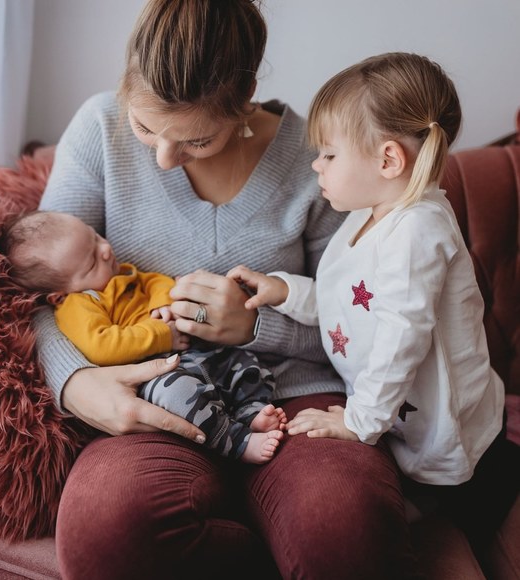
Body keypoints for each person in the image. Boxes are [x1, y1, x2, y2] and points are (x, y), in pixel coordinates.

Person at [34, 2, 418, 578]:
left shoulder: (320, 161)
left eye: (196, 140)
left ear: (245, 99)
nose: (164, 158)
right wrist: (74, 381)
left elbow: (364, 323)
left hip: (294, 396)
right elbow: (36, 293)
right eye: (145, 128)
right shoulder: (98, 128)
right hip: (159, 390)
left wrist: (258, 325)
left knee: (343, 531)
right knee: (105, 535)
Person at [228, 52, 513, 556]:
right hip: (402, 413)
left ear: (387, 161)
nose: (316, 165)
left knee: (465, 486)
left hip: (441, 417)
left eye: (328, 155)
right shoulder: (370, 213)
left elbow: (401, 337)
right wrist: (287, 291)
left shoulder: (417, 231)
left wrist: (357, 422)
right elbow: (352, 301)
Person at [3, 210, 285, 464]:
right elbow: (102, 347)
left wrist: (163, 303)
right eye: (91, 262)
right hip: (153, 374)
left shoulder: (122, 273)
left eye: (95, 236)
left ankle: (252, 413)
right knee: (178, 395)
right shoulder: (77, 305)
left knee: (243, 364)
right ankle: (236, 440)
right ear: (59, 295)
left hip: (198, 353)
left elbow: (157, 282)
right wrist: (162, 335)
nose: (105, 250)